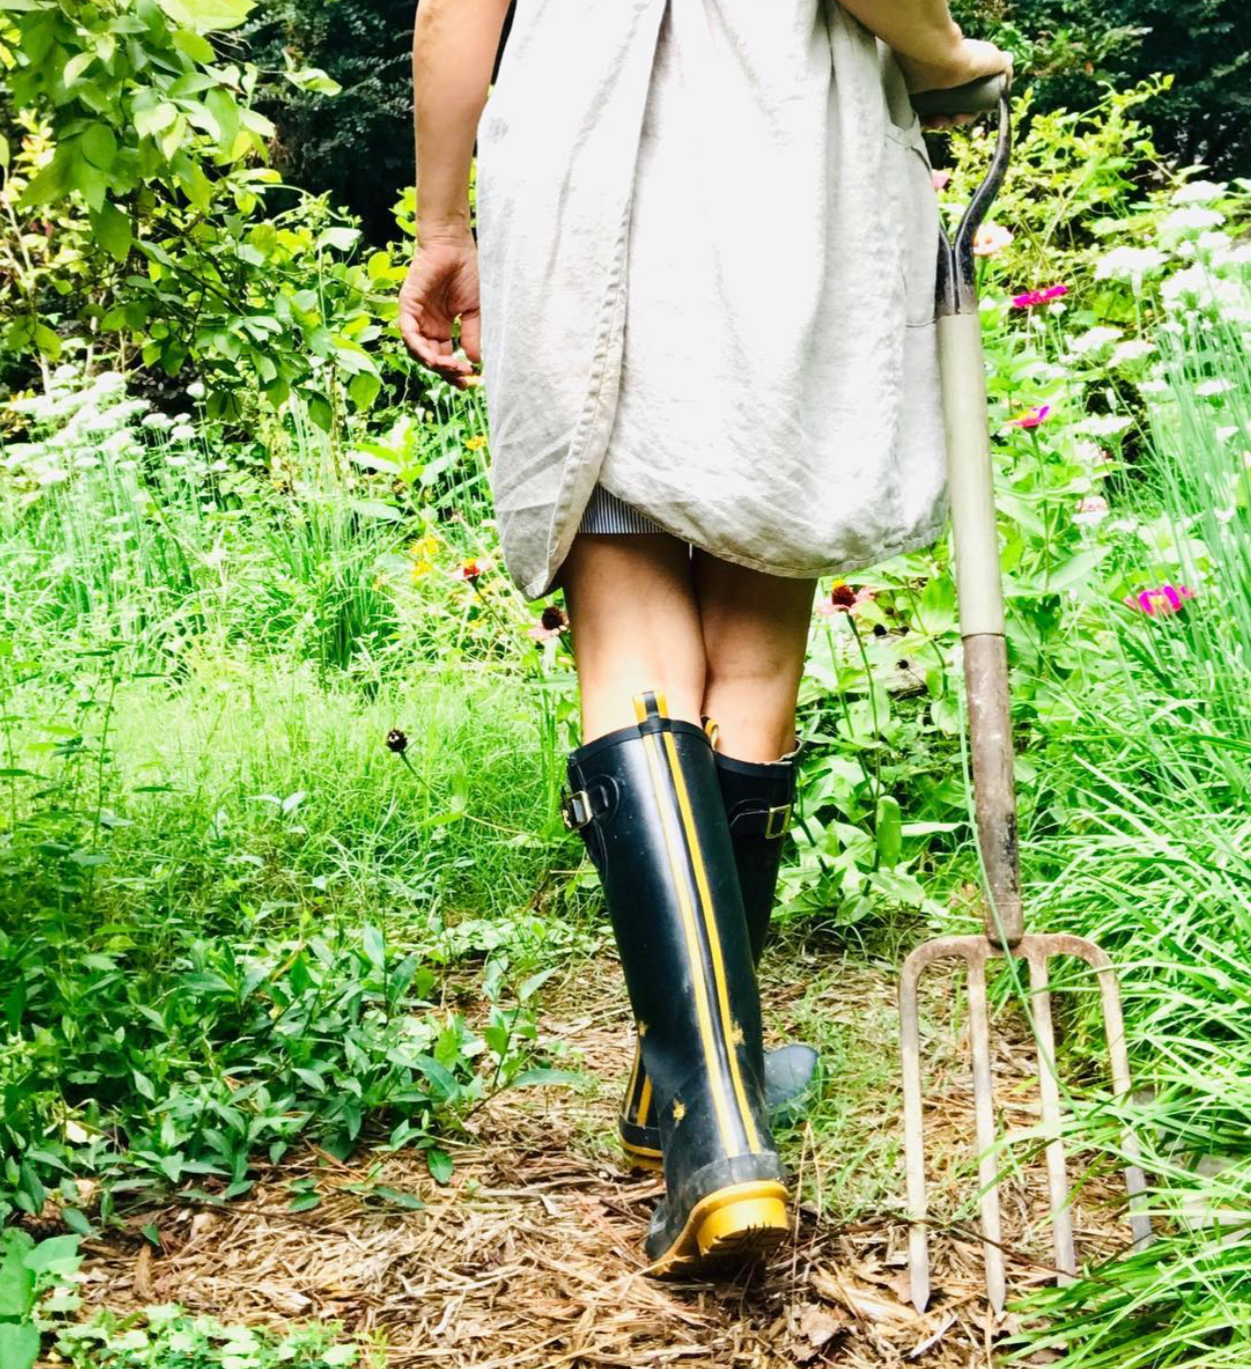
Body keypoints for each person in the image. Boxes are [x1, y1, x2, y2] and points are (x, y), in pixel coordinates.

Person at [400, 0, 1011, 1279]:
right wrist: (944, 55)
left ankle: (694, 1107)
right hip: (782, 148)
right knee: (753, 651)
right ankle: (715, 1107)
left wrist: (442, 221)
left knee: (629, 648)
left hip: (581, 148)